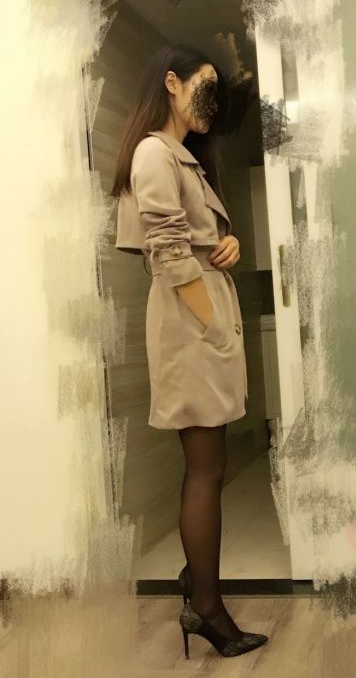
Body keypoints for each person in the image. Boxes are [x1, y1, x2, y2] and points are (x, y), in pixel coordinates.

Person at [110, 43, 267, 659]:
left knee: (211, 465)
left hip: (197, 317)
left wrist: (228, 245)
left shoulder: (184, 158)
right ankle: (206, 608)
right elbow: (170, 253)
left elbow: (197, 242)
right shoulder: (154, 151)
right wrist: (215, 328)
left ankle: (197, 584)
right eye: (204, 87)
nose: (211, 102)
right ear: (171, 83)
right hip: (190, 325)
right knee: (205, 469)